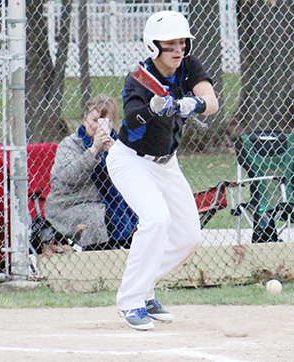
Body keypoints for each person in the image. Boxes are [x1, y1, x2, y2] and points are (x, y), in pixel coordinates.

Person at [106, 11, 219, 330]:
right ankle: (131, 301)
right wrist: (151, 109)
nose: (178, 49)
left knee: (188, 236)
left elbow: (212, 101)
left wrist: (192, 104)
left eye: (181, 42)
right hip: (130, 160)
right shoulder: (139, 80)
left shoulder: (189, 66)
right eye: (170, 44)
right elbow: (129, 121)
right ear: (154, 46)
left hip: (166, 163)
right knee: (156, 219)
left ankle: (144, 289)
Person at [44, 94, 138, 251]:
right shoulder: (70, 144)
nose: (99, 127)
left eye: (105, 122)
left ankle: (129, 254)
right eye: (95, 121)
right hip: (67, 206)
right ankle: (96, 259)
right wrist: (93, 150)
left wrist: (115, 155)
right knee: (97, 217)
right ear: (85, 119)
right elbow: (69, 177)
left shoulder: (118, 146)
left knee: (135, 212)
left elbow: (133, 179)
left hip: (104, 203)